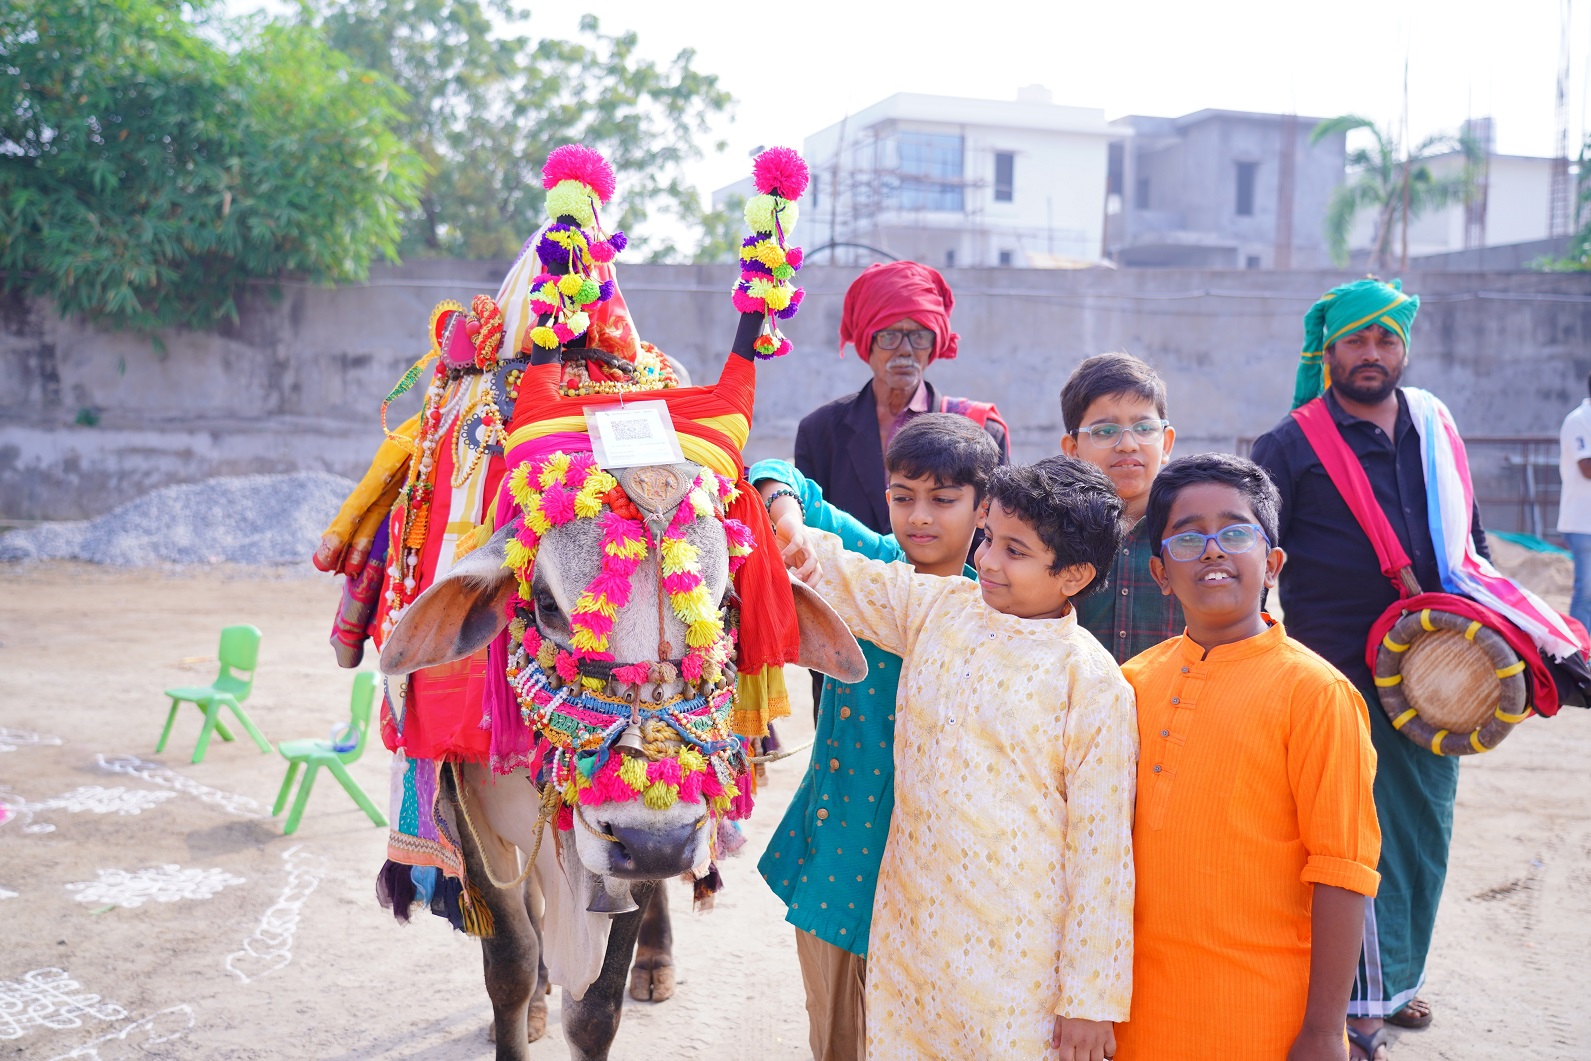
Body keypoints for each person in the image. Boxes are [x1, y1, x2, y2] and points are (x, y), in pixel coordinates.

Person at [769, 456, 1136, 1061]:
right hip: (912, 939)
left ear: (1073, 575)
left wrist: (1090, 1001)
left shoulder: (1092, 682)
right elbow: (837, 573)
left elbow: (1102, 855)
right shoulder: (940, 608)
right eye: (988, 536)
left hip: (1019, 969)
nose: (987, 560)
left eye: (1015, 551)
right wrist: (787, 520)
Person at [1249, 277, 1486, 1058]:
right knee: (1351, 837)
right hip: (1338, 671)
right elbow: (1255, 551)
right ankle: (1355, 1005)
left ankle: (1400, 979)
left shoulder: (1432, 427)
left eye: (1385, 340)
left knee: (1425, 827)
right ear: (1330, 350)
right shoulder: (1289, 444)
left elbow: (1469, 544)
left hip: (1438, 671)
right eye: (1356, 340)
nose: (1372, 354)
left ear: (1403, 347)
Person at [1112, 453, 1380, 1061]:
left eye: (1235, 532)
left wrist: (1320, 1031)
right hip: (1136, 1020)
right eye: (1188, 538)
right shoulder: (1129, 683)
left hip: (1263, 1019)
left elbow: (1343, 871)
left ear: (1273, 563)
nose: (1212, 551)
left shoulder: (1317, 694)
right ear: (1159, 571)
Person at [751, 413, 999, 1061]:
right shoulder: (871, 560)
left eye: (943, 500)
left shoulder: (998, 606)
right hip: (838, 852)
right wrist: (787, 518)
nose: (920, 515)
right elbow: (774, 473)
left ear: (983, 508)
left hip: (937, 879)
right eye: (902, 496)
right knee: (834, 1040)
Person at [794, 260, 1009, 536]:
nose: (905, 350)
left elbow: (993, 537)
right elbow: (811, 532)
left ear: (934, 342)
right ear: (867, 342)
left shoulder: (982, 431)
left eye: (919, 336)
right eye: (889, 336)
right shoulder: (820, 432)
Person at [1060, 352, 1184, 662]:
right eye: (1105, 432)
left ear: (1166, 443)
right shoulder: (1053, 533)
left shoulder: (1191, 534)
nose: (1128, 444)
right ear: (1072, 450)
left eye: (1144, 429)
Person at [1559, 374, 1591, 633]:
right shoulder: (1579, 421)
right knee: (1586, 591)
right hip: (1583, 522)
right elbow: (1587, 468)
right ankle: (1581, 653)